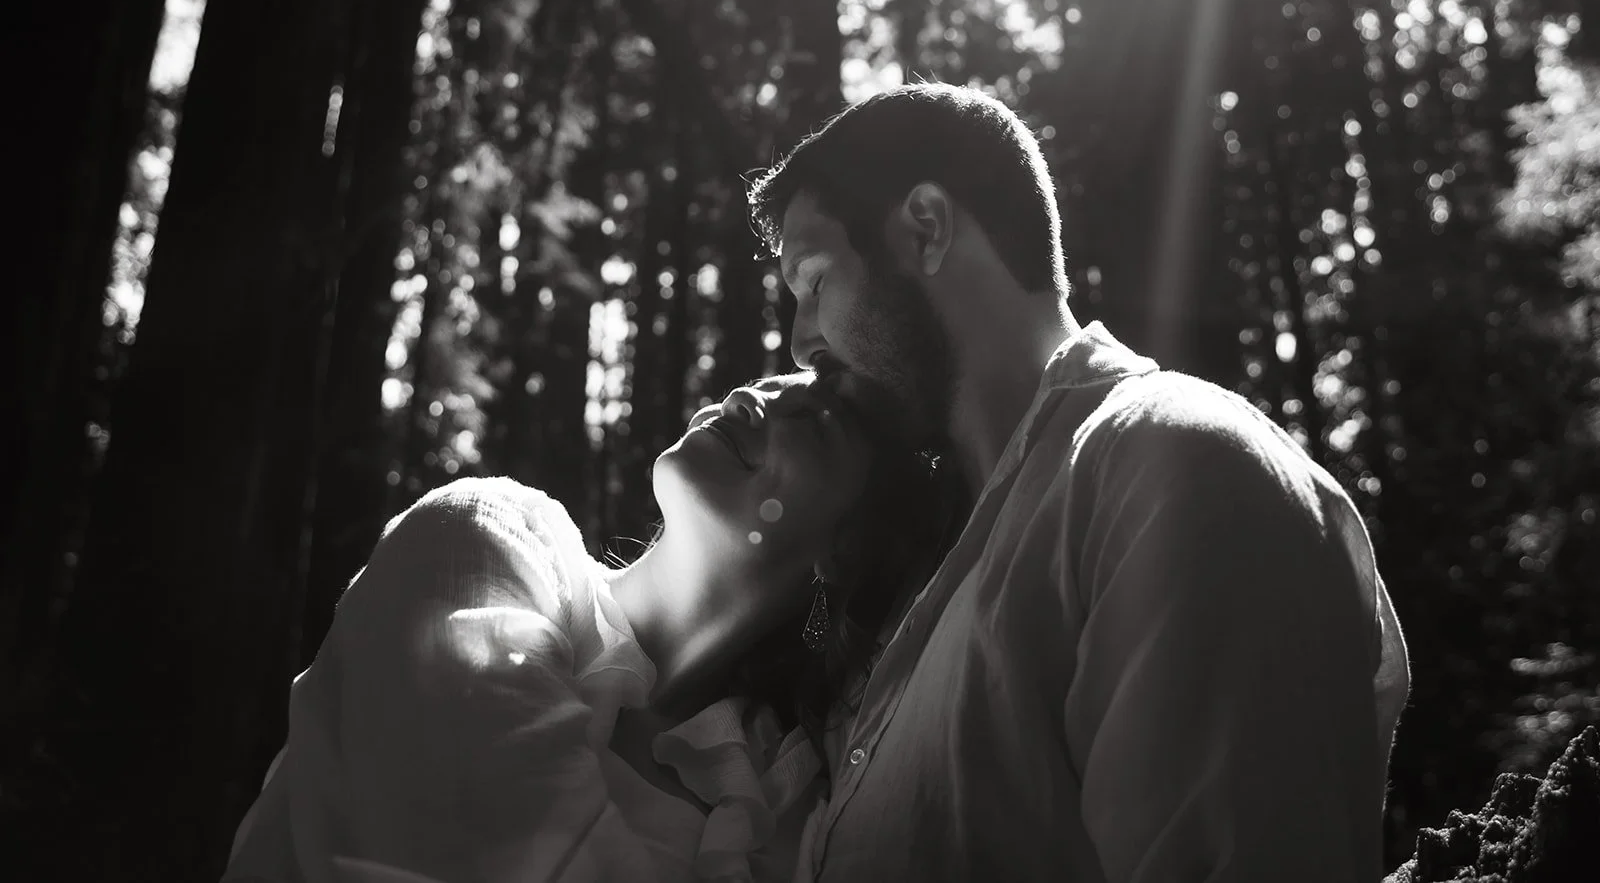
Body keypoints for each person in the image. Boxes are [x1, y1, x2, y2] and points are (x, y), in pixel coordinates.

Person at [747, 82, 1412, 882]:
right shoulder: (913, 575)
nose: (798, 342)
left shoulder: (1171, 469)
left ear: (925, 228)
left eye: (814, 281)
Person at [223, 372, 941, 883]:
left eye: (818, 417)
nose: (758, 394)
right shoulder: (485, 537)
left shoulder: (783, 804)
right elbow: (467, 844)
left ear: (844, 552)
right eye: (782, 377)